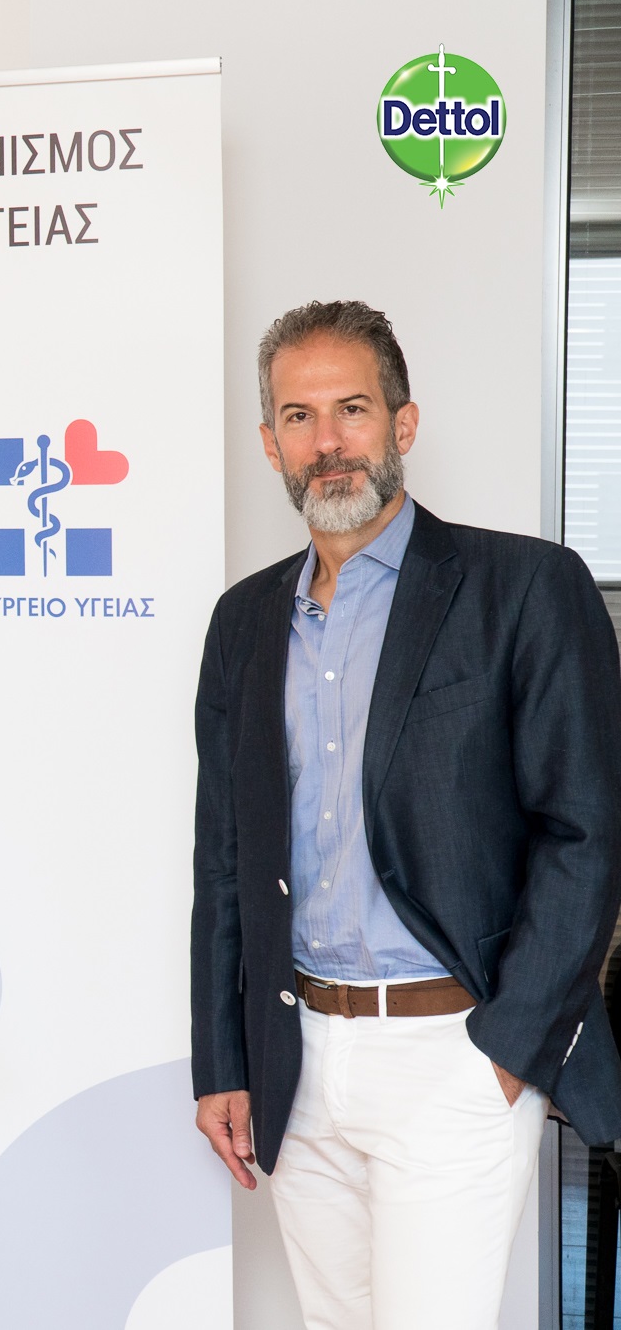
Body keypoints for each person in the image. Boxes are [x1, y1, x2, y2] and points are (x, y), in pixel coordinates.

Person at [191, 300, 621, 1329]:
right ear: (269, 443)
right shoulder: (243, 620)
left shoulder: (524, 587)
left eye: (351, 408)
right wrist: (223, 1060)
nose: (327, 441)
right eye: (298, 417)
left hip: (453, 1051)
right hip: (298, 1055)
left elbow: (586, 833)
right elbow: (224, 857)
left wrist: (505, 1052)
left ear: (402, 422)